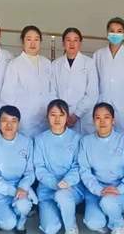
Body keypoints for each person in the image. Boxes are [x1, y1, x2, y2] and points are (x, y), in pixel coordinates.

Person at [78, 102, 124, 234]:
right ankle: (111, 215)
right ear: (93, 121)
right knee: (93, 223)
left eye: (106, 117)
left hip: (123, 191)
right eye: (98, 118)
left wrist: (119, 189)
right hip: (96, 192)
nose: (102, 121)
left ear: (113, 120)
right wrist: (99, 190)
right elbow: (84, 171)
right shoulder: (86, 142)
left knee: (108, 202)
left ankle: (118, 226)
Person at [0, 105, 37, 233]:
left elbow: (30, 171)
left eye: (13, 121)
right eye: (4, 120)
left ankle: (21, 223)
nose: (9, 125)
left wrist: (23, 187)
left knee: (23, 206)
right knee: (8, 224)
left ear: (18, 123)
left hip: (20, 187)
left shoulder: (27, 142)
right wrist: (14, 191)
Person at [34, 99, 85, 234]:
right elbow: (39, 168)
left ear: (67, 117)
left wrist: (67, 181)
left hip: (71, 188)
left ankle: (71, 227)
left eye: (61, 115)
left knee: (62, 196)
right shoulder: (39, 140)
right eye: (53, 115)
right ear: (47, 117)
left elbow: (78, 165)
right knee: (50, 229)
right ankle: (61, 211)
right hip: (47, 190)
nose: (57, 119)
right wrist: (55, 184)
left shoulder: (76, 138)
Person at [1, 25, 54, 138]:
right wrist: (13, 119)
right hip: (24, 119)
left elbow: (52, 90)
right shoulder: (14, 64)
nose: (33, 43)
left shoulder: (47, 63)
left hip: (44, 117)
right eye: (29, 39)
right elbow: (8, 95)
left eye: (36, 39)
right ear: (23, 42)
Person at [51, 27, 99, 134]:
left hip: (83, 118)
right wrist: (61, 113)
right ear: (63, 43)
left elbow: (92, 93)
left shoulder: (89, 63)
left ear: (80, 43)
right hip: (61, 116)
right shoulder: (55, 65)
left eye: (75, 40)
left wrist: (77, 114)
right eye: (68, 40)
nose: (72, 44)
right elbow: (52, 92)